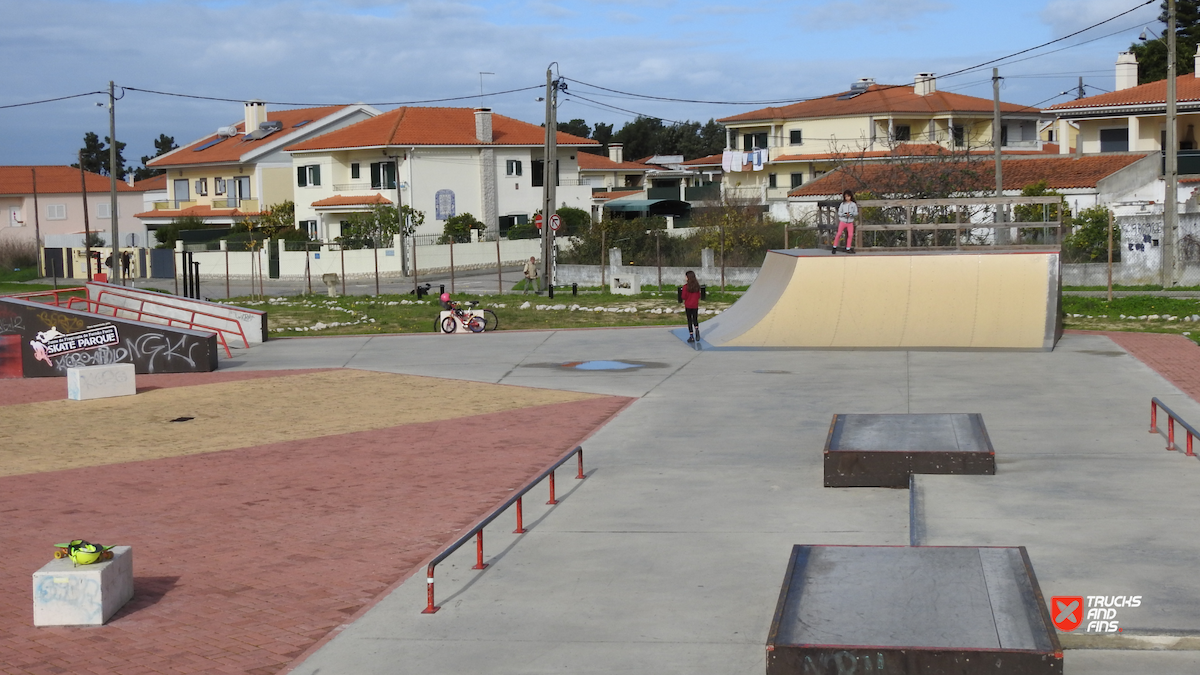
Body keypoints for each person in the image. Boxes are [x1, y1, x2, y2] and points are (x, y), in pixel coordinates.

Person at [832, 190, 858, 254]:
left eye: (848, 196)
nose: (847, 198)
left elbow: (856, 212)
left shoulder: (853, 204)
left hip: (850, 222)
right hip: (843, 221)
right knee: (839, 233)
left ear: (851, 197)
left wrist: (851, 214)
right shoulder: (842, 204)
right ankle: (834, 246)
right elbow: (839, 212)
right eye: (846, 197)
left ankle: (848, 248)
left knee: (850, 235)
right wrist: (844, 214)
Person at [681, 270, 702, 343]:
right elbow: (699, 296)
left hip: (688, 305)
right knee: (695, 319)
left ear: (688, 277)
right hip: (695, 305)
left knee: (689, 320)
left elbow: (683, 296)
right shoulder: (697, 287)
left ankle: (691, 336)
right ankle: (696, 328)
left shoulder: (685, 287)